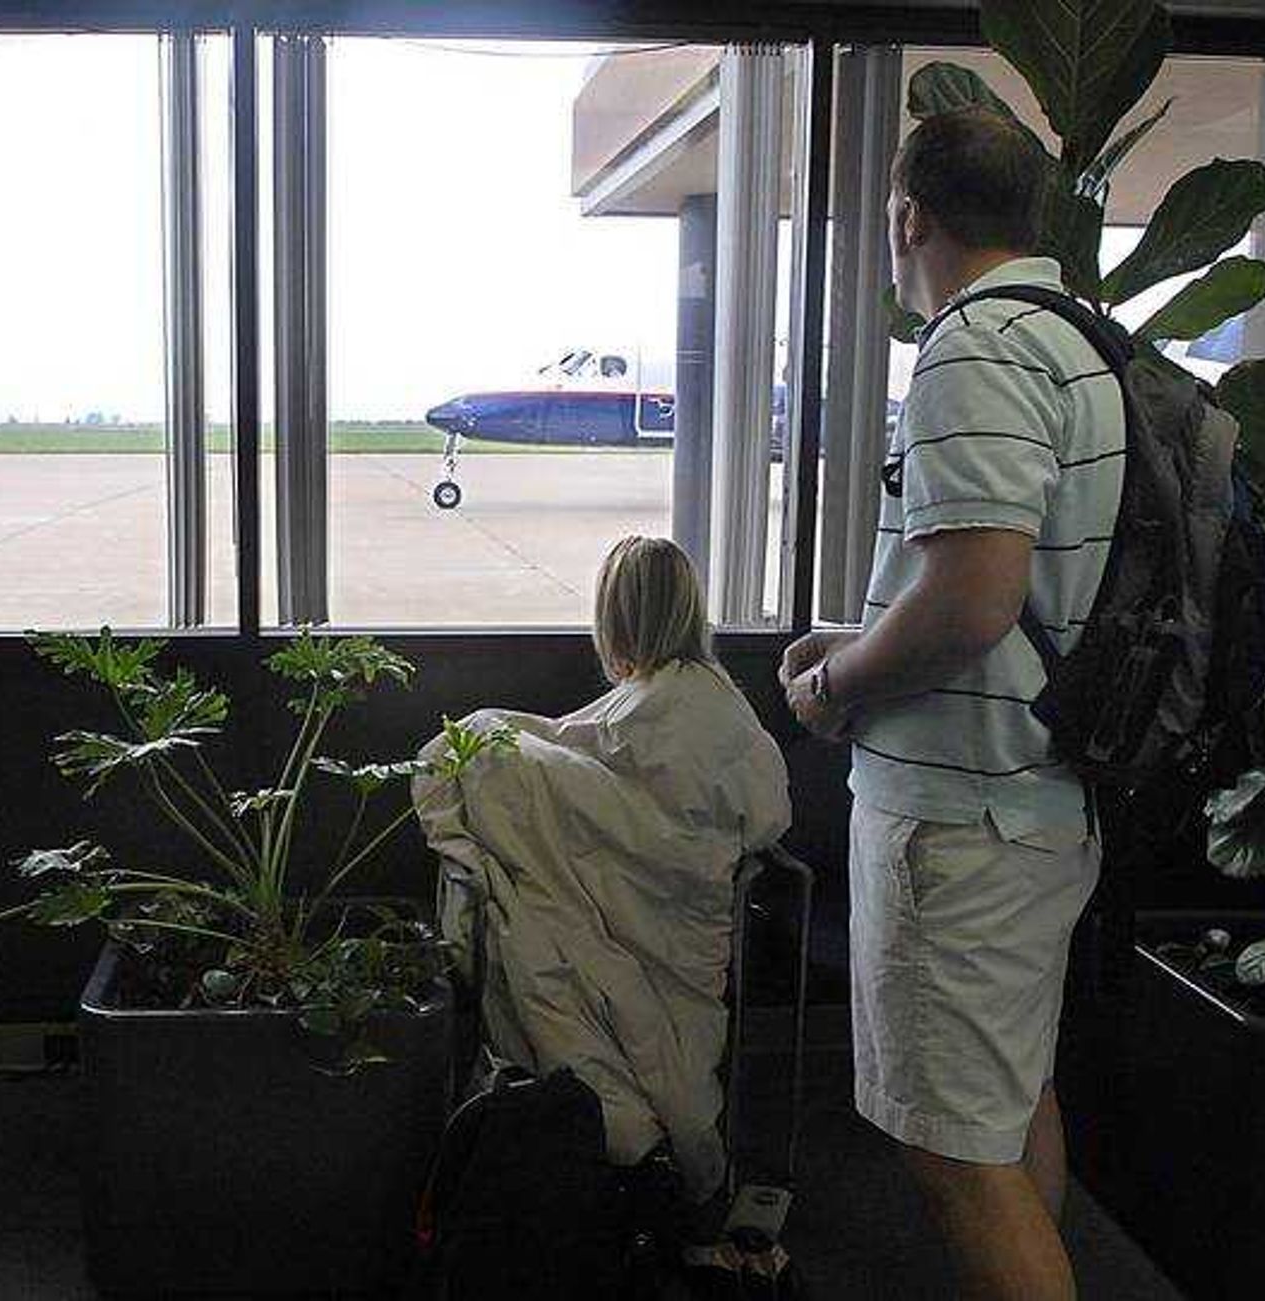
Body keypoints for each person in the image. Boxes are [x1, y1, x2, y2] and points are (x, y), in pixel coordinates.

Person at [780, 107, 1125, 1300]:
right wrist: (868, 627)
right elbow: (1012, 582)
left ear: (908, 217)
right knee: (1010, 1102)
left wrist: (834, 685)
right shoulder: (1083, 340)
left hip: (962, 826)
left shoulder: (976, 345)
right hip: (1038, 802)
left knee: (949, 1151)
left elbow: (976, 596)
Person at [415, 536, 791, 1264]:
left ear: (612, 620)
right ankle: (657, 1160)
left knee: (481, 748)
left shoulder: (643, 707)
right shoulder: (722, 707)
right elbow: (764, 814)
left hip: (635, 924)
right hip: (690, 944)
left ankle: (619, 1139)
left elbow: (576, 766)